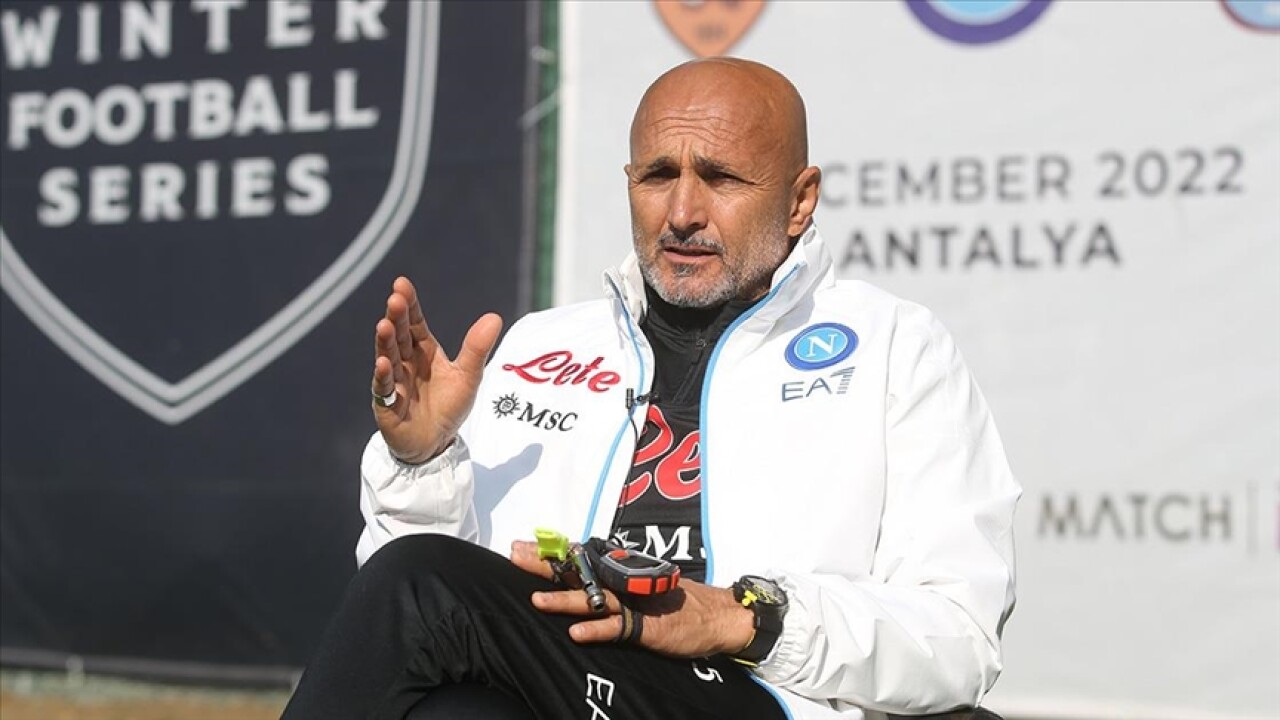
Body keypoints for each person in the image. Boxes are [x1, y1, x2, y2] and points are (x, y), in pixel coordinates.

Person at [282, 58, 1019, 720]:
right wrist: (423, 465)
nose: (683, 213)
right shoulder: (542, 345)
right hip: (568, 680)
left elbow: (960, 638)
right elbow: (426, 626)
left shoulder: (896, 346)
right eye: (659, 176)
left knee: (418, 583)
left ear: (800, 201)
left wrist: (739, 618)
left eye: (722, 179)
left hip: (759, 696)